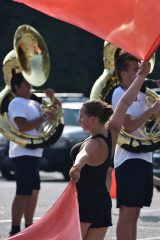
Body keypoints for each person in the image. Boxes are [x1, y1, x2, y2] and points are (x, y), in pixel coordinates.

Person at [69, 60, 151, 240]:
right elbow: (124, 102)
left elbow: (84, 155)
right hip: (102, 204)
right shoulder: (112, 133)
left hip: (85, 203)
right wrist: (141, 76)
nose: (79, 120)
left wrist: (76, 167)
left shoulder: (93, 143)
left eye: (81, 116)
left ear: (92, 118)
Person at [111, 53, 160, 240]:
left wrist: (155, 111)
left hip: (144, 157)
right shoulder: (119, 93)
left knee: (135, 214)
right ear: (123, 73)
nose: (142, 74)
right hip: (128, 159)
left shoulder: (142, 94)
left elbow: (147, 126)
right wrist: (152, 110)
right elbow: (129, 126)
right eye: (136, 70)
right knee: (128, 213)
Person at [8, 71, 55, 236]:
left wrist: (52, 100)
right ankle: (14, 229)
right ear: (17, 86)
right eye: (27, 85)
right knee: (23, 191)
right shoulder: (16, 102)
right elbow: (22, 126)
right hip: (22, 152)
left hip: (34, 152)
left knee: (34, 191)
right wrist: (43, 117)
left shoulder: (33, 103)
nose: (30, 88)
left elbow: (47, 123)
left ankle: (29, 227)